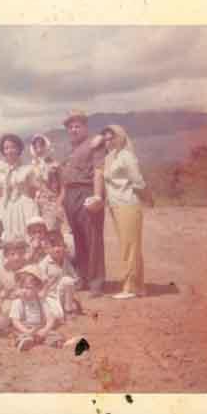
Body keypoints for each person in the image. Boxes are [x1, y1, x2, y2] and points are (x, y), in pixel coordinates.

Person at [59, 110, 107, 297]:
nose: (73, 129)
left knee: (93, 238)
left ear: (85, 127)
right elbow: (65, 178)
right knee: (78, 239)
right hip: (71, 195)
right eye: (70, 127)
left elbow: (99, 171)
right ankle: (83, 278)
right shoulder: (70, 149)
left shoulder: (95, 143)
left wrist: (97, 196)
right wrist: (62, 201)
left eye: (77, 126)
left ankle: (96, 282)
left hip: (86, 191)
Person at [102, 124, 150, 299]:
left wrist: (142, 197)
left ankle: (130, 287)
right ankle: (138, 286)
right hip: (115, 206)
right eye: (106, 139)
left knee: (130, 247)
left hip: (128, 204)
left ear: (121, 138)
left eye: (112, 138)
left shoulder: (126, 156)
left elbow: (138, 181)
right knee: (128, 246)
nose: (109, 142)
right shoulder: (110, 157)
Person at [9, 266, 64, 351]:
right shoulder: (18, 302)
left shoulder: (41, 301)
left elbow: (50, 318)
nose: (24, 290)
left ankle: (52, 342)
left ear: (37, 289)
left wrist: (45, 329)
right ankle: (25, 342)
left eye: (28, 288)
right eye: (21, 287)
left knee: (54, 336)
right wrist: (26, 331)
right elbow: (15, 321)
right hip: (24, 328)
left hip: (39, 328)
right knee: (20, 336)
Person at [0, 133, 40, 242]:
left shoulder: (28, 169)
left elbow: (35, 189)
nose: (10, 150)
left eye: (13, 147)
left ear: (19, 149)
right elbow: (1, 192)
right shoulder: (2, 170)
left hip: (25, 206)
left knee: (28, 235)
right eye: (6, 148)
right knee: (11, 237)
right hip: (9, 207)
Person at [38, 230, 82, 319]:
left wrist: (77, 281)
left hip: (63, 294)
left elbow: (74, 277)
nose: (57, 249)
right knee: (57, 315)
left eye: (59, 245)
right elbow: (42, 285)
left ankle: (68, 309)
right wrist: (47, 283)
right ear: (46, 249)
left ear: (64, 246)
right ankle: (61, 309)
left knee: (67, 280)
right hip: (50, 296)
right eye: (53, 246)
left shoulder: (66, 261)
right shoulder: (43, 264)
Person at [0, 238, 27, 331]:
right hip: (10, 301)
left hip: (28, 299)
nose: (17, 257)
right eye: (12, 254)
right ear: (6, 255)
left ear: (24, 253)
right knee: (2, 320)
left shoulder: (29, 267)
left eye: (20, 253)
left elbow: (39, 286)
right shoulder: (1, 271)